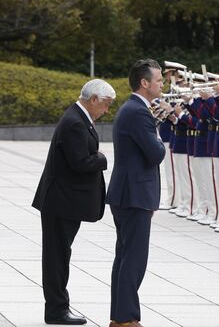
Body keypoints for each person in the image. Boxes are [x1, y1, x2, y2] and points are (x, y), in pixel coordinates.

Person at [32, 79, 115, 325]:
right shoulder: (75, 123)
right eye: (106, 104)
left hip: (63, 200)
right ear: (93, 100)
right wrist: (101, 159)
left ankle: (58, 307)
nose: (107, 110)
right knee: (57, 257)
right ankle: (57, 310)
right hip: (61, 202)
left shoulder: (78, 118)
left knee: (59, 255)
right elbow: (81, 162)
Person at [106, 59, 168, 327]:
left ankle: (120, 316)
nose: (162, 84)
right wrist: (158, 135)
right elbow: (155, 153)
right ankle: (126, 318)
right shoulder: (138, 112)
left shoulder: (133, 109)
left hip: (128, 194)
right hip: (134, 195)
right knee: (133, 259)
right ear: (144, 83)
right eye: (159, 80)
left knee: (125, 257)